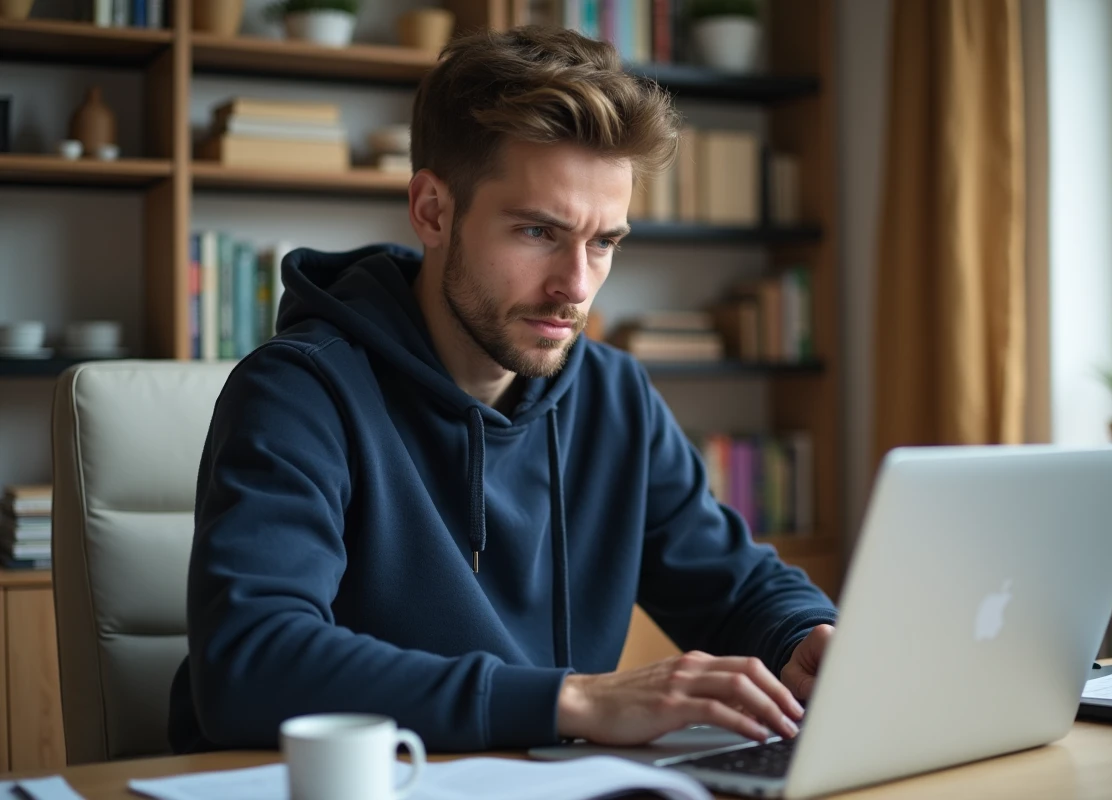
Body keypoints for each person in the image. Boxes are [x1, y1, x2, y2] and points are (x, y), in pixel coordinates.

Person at [167, 25, 837, 755]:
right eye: (537, 232)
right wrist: (572, 699)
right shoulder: (300, 391)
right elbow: (252, 666)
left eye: (604, 241)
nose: (575, 286)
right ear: (432, 210)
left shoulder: (615, 397)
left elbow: (737, 588)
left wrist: (804, 638)